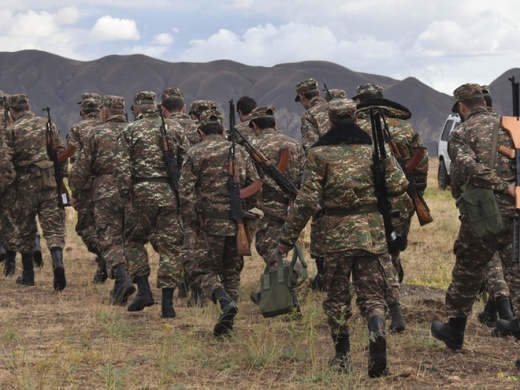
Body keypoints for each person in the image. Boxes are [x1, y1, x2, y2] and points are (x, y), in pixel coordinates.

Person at [278, 98, 408, 377]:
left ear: (331, 121)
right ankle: (376, 332)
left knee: (336, 297)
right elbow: (399, 185)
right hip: (371, 231)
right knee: (373, 294)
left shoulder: (319, 154)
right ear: (356, 119)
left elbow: (307, 200)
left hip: (335, 233)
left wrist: (287, 236)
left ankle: (342, 355)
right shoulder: (377, 149)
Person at [431, 83, 518, 350]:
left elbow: (464, 168)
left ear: (462, 106)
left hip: (483, 213)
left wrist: (501, 186)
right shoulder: (512, 126)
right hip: (516, 209)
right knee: (516, 271)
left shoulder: (461, 132)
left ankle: (454, 330)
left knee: (467, 269)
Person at [179, 108, 260, 337]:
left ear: (201, 132)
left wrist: (193, 220)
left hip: (208, 223)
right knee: (231, 271)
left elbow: (185, 192)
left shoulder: (195, 152)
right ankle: (228, 324)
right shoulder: (240, 152)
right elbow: (255, 185)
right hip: (236, 222)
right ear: (223, 130)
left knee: (201, 269)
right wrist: (241, 206)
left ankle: (223, 301)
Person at [354, 83, 427, 332]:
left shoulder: (356, 128)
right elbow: (422, 160)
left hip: (369, 201)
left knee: (373, 255)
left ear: (361, 101)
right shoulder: (405, 127)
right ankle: (392, 300)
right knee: (393, 251)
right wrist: (416, 191)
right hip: (401, 198)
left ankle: (379, 306)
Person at [115, 91, 188, 318]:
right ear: (157, 106)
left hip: (141, 193)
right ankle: (167, 303)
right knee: (170, 248)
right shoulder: (175, 129)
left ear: (137, 108)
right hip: (169, 194)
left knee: (134, 242)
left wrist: (126, 195)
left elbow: (121, 167)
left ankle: (144, 291)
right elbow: (186, 164)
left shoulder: (129, 130)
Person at [69, 95, 135, 305]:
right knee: (128, 238)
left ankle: (122, 276)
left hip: (106, 190)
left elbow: (81, 169)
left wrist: (76, 191)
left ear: (105, 111)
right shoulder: (136, 131)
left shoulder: (96, 133)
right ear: (123, 112)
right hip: (135, 190)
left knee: (108, 236)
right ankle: (124, 286)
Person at [0, 93, 67, 290]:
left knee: (26, 228)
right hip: (49, 182)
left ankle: (28, 275)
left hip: (24, 183)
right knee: (53, 227)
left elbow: (4, 162)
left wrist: (8, 184)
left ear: (12, 110)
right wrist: (58, 177)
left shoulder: (10, 130)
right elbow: (61, 152)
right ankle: (58, 262)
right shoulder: (48, 124)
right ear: (28, 107)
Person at [294, 77, 330, 290]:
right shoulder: (336, 108)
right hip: (352, 171)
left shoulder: (310, 115)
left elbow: (312, 150)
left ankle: (324, 275)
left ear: (302, 97)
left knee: (319, 222)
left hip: (325, 175)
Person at [67, 92, 106, 283]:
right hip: (110, 185)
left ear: (83, 111)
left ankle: (105, 257)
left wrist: (74, 191)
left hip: (86, 185)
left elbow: (74, 158)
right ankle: (109, 261)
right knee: (109, 226)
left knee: (85, 227)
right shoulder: (110, 127)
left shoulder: (77, 128)